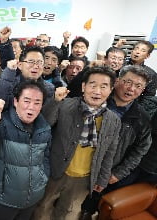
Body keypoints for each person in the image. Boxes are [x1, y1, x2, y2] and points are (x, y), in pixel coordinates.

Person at [32, 67, 121, 220]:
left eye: (103, 86)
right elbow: (44, 124)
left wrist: (102, 178)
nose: (97, 91)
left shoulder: (113, 120)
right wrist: (55, 101)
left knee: (68, 212)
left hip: (84, 178)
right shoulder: (66, 105)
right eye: (92, 85)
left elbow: (110, 151)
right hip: (56, 170)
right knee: (42, 207)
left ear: (111, 89)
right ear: (83, 87)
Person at [79, 65, 152, 219]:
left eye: (138, 86)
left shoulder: (141, 119)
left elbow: (141, 149)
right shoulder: (96, 100)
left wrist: (119, 173)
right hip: (80, 166)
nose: (131, 89)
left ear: (143, 90)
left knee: (89, 207)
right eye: (128, 82)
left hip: (108, 172)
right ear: (117, 81)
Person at [0, 80, 52, 220]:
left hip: (32, 198)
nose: (31, 107)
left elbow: (45, 157)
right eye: (26, 101)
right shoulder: (2, 122)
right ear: (15, 101)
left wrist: (42, 178)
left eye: (37, 102)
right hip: (4, 200)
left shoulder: (44, 128)